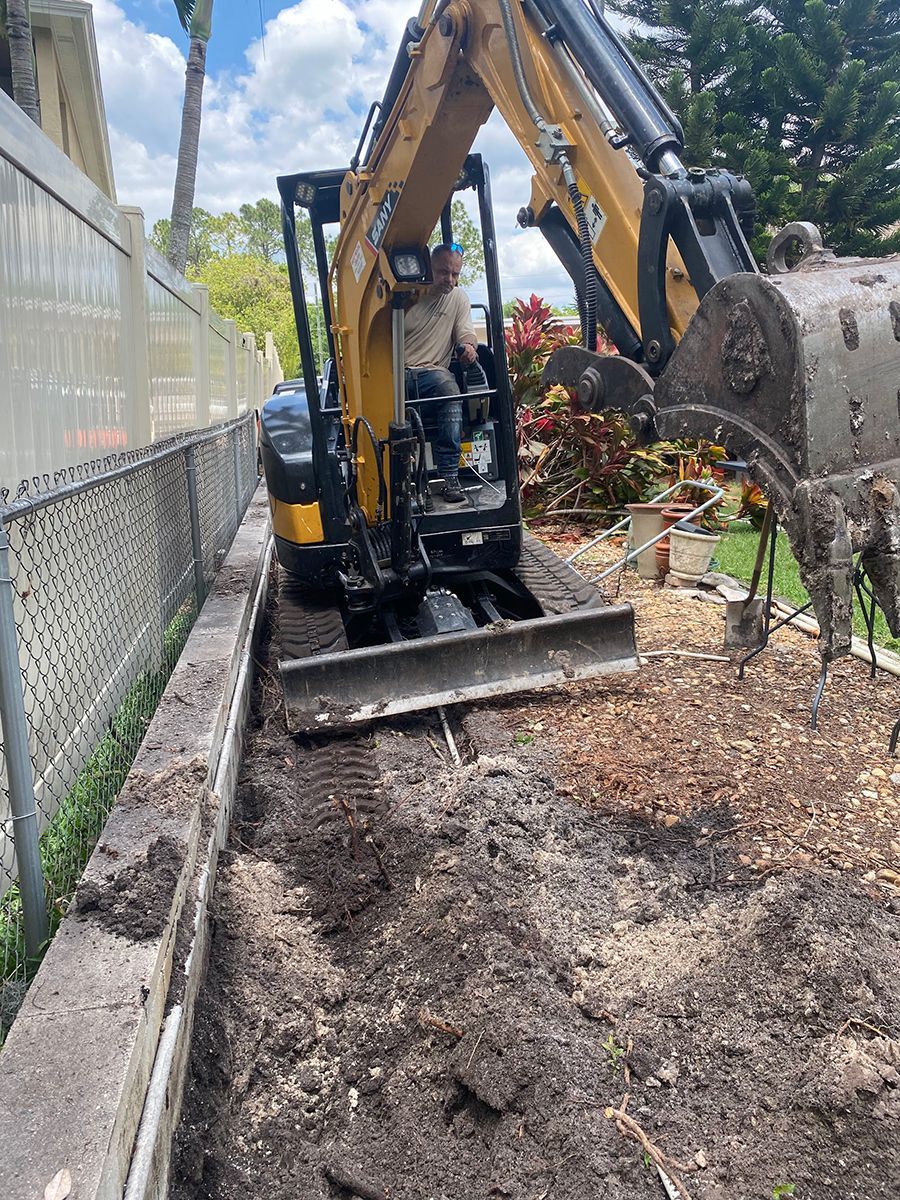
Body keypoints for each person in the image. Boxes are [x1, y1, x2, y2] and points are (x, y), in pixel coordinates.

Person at [404, 243, 478, 503]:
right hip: (396, 375)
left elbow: (466, 332)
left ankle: (448, 476)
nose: (449, 279)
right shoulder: (406, 295)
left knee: (448, 387)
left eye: (455, 274)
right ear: (429, 268)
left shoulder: (458, 298)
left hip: (432, 375)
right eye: (443, 272)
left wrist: (469, 346)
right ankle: (399, 483)